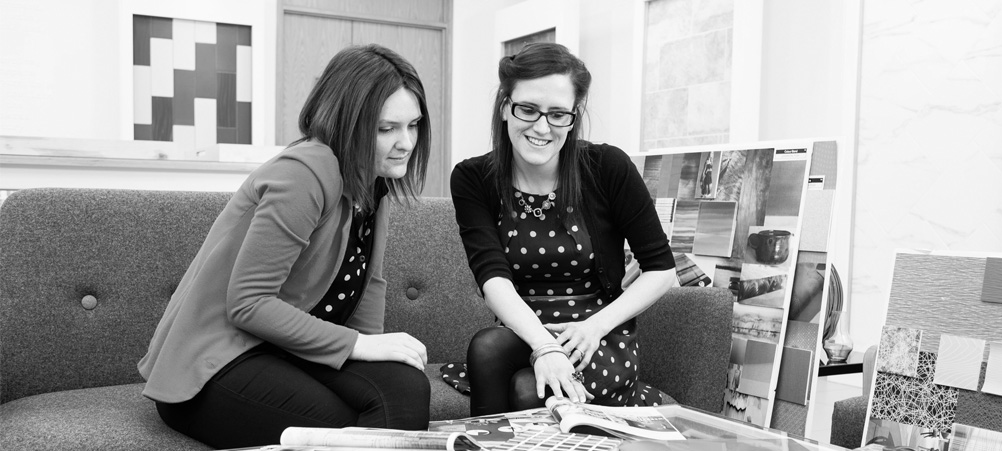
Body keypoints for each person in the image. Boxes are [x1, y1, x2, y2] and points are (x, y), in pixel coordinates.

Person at [138, 44, 432, 449]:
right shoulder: (304, 173)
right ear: (346, 123)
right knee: (342, 428)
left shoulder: (372, 181)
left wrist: (374, 356)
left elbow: (369, 284)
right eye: (386, 129)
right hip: (218, 361)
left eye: (413, 125)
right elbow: (249, 303)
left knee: (405, 386)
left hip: (283, 350)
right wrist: (359, 346)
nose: (406, 142)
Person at [449, 43, 679, 416]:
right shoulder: (473, 178)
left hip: (595, 335)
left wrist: (595, 326)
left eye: (557, 114)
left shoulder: (607, 167)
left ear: (574, 116)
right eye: (528, 109)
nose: (542, 127)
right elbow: (492, 278)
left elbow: (661, 270)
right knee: (487, 347)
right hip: (523, 329)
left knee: (528, 389)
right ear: (505, 106)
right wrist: (544, 346)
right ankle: (487, 440)